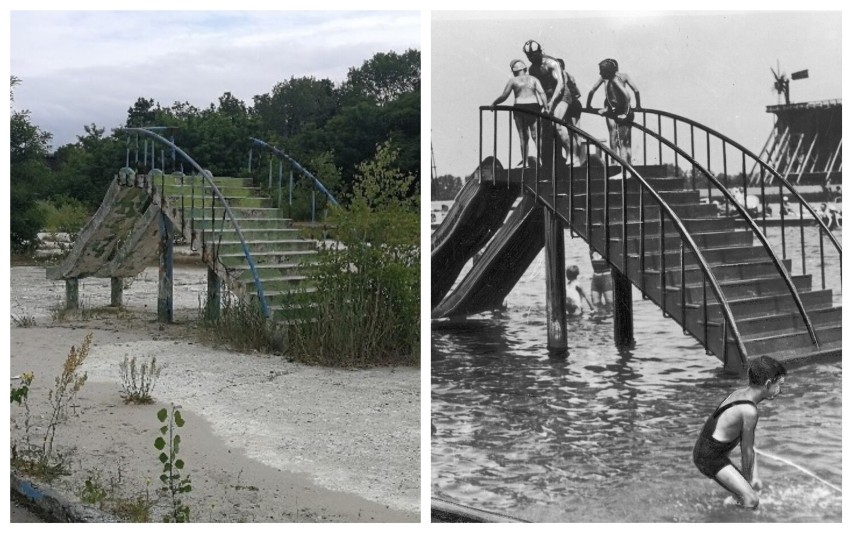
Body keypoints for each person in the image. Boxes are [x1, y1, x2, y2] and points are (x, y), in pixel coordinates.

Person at [693, 356, 787, 509]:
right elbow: (747, 451)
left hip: (706, 450)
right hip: (709, 457)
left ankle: (726, 509)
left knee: (745, 493)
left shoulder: (741, 393)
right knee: (752, 500)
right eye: (779, 385)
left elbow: (747, 445)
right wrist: (749, 480)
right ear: (768, 383)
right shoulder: (749, 410)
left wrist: (754, 476)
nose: (780, 390)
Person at [522, 40, 576, 161]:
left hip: (562, 94)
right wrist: (545, 104)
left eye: (534, 55)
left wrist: (551, 103)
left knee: (558, 125)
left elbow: (560, 84)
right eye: (529, 56)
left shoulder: (552, 63)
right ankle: (549, 159)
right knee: (542, 129)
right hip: (549, 96)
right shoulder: (532, 69)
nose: (531, 58)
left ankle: (571, 154)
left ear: (540, 52)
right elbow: (540, 89)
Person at [492, 59, 547, 167]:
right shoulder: (533, 79)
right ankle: (542, 160)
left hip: (519, 108)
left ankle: (525, 162)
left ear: (513, 70)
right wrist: (546, 107)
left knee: (523, 137)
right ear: (524, 68)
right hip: (533, 107)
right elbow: (542, 93)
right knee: (536, 136)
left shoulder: (513, 81)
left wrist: (494, 103)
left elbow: (504, 96)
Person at [586, 58, 641, 165]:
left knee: (618, 136)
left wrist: (589, 106)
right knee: (623, 139)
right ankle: (620, 162)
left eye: (602, 70)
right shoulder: (618, 77)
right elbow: (636, 91)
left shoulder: (614, 79)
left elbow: (627, 95)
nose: (600, 73)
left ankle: (619, 163)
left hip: (619, 109)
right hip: (615, 107)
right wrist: (637, 105)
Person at [589, 249, 612, 314]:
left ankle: (609, 322)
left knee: (610, 302)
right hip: (596, 276)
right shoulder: (591, 246)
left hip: (607, 276)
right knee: (595, 303)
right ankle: (600, 319)